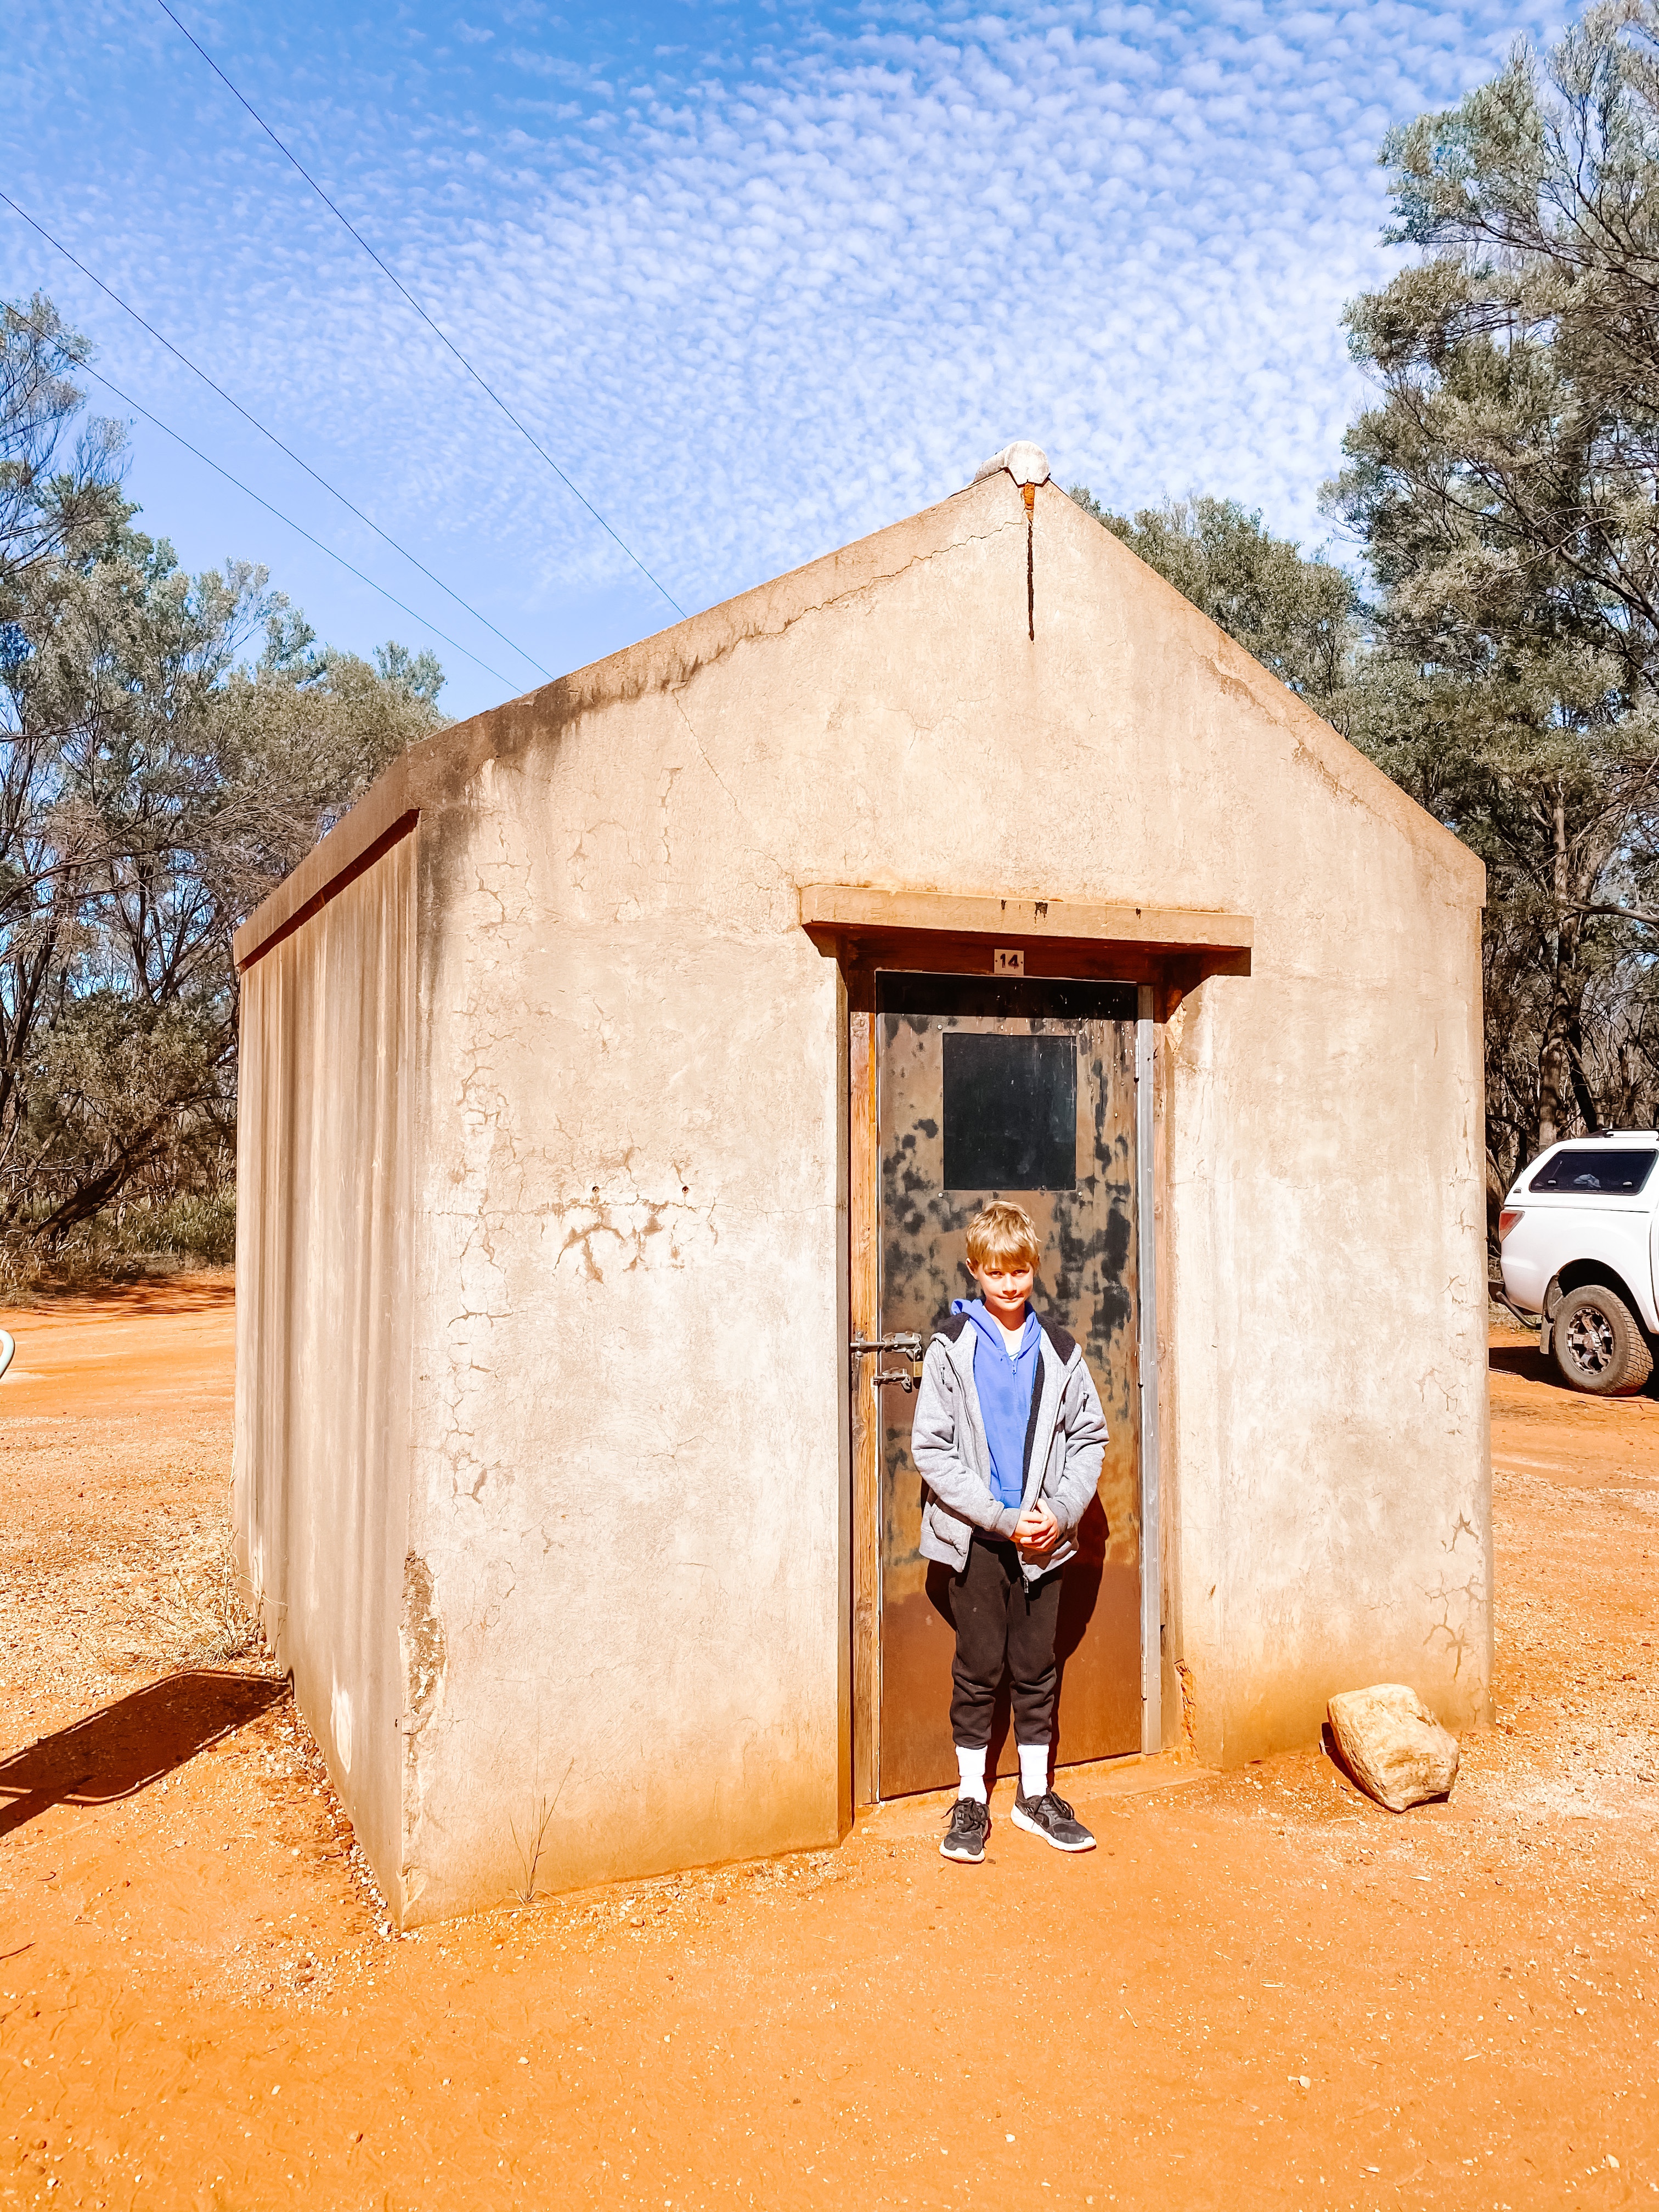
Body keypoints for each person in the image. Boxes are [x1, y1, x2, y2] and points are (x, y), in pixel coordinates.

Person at [910, 1199, 1109, 1864]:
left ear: (1034, 1269)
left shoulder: (1062, 1352)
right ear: (975, 1270)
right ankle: (972, 1798)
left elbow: (1090, 1437)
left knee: (1035, 1667)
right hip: (978, 1541)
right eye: (996, 1272)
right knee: (978, 1668)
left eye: (1019, 1270)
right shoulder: (951, 1347)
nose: (1009, 1283)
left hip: (1042, 1544)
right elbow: (932, 1448)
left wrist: (1062, 1510)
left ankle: (1034, 1796)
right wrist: (998, 1517)